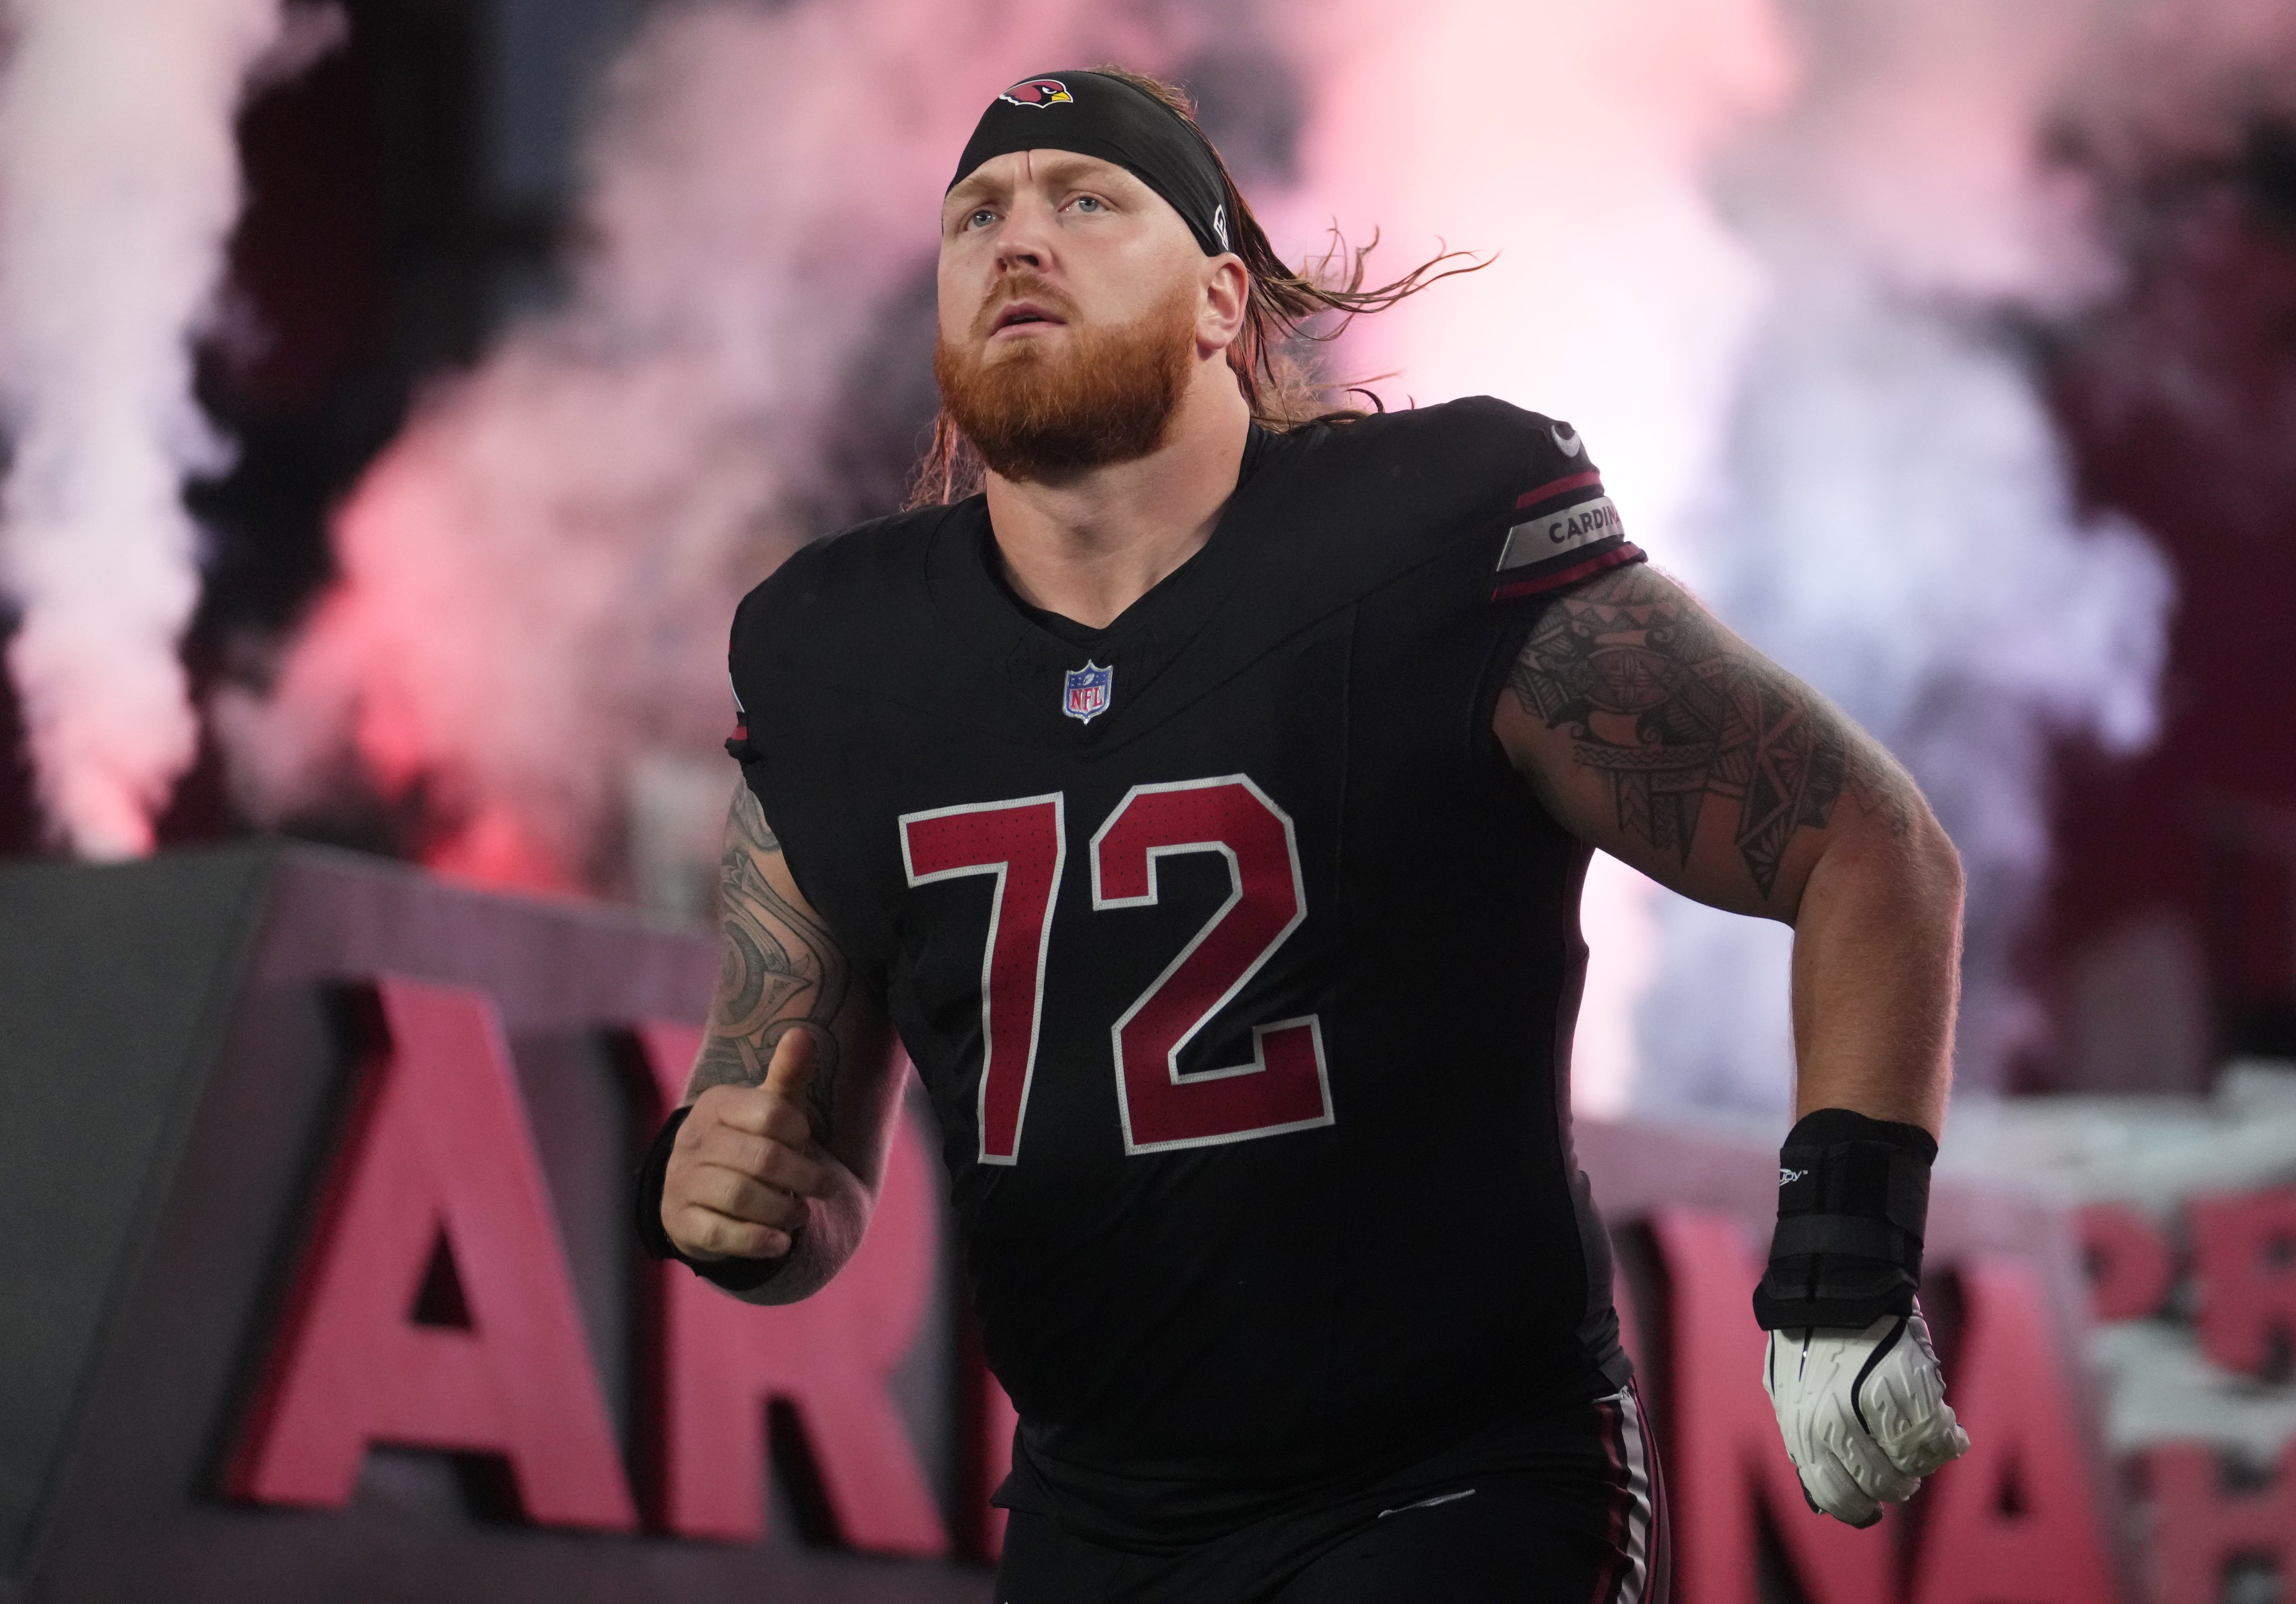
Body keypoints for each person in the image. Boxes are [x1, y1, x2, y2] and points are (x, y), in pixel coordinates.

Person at [634, 66, 1969, 1603]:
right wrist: (729, 1201)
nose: (1017, 240)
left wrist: (1843, 1266)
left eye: (1085, 201)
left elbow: (1866, 845)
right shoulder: (841, 651)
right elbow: (799, 1169)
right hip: (1093, 1516)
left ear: (1220, 299)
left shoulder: (1421, 536)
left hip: (1451, 1485)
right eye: (978, 215)